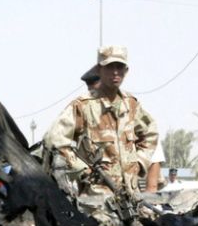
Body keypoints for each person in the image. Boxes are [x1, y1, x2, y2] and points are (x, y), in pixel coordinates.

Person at [44, 45, 158, 196]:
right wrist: (82, 169)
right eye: (110, 67)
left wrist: (139, 163)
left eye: (120, 67)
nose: (115, 72)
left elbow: (150, 133)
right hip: (97, 200)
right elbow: (54, 140)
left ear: (126, 71)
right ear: (99, 70)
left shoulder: (131, 105)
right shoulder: (83, 106)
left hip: (131, 196)